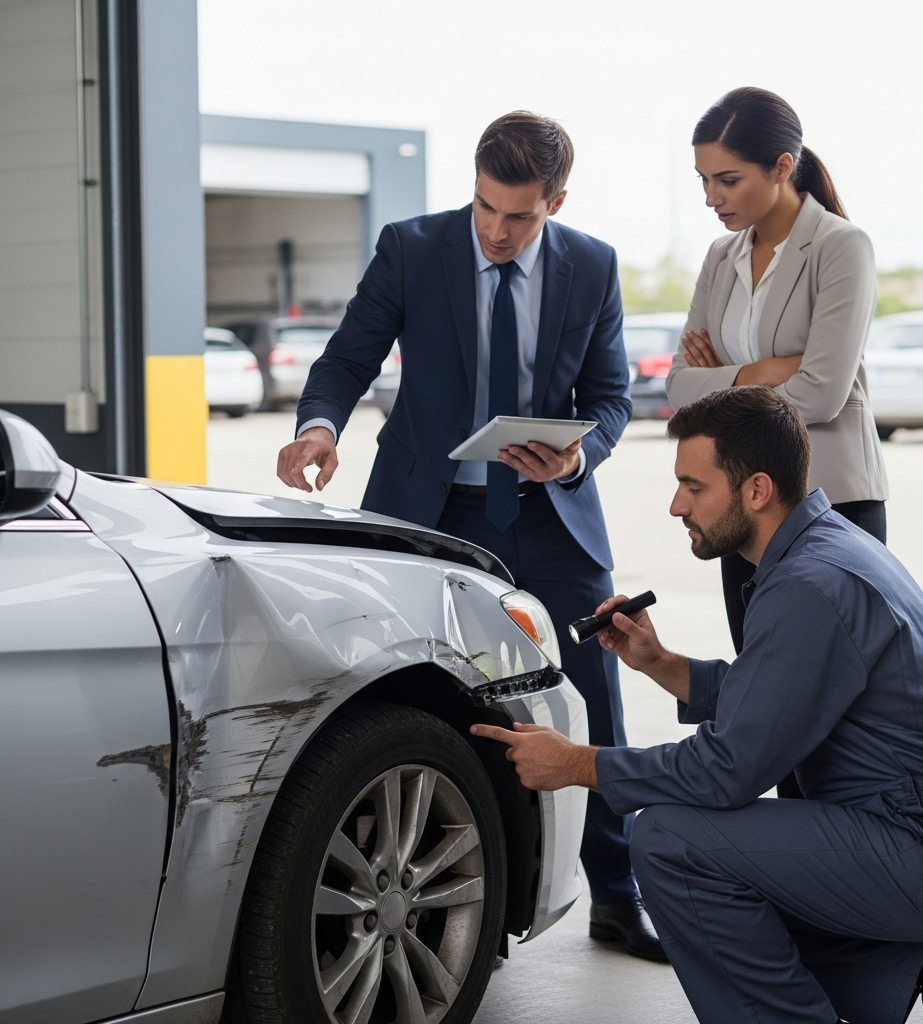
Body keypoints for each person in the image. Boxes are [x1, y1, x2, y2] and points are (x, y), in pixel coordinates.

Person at [472, 386, 923, 1024]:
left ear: (757, 490)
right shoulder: (821, 552)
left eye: (694, 487)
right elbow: (780, 701)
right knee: (729, 881)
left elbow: (728, 769)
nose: (676, 505)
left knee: (672, 842)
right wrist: (660, 662)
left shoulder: (811, 585)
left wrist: (578, 764)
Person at [276, 111, 663, 960]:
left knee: (594, 693)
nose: (495, 230)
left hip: (547, 514)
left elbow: (610, 397)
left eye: (518, 216)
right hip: (427, 512)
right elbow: (348, 358)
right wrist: (320, 428)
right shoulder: (412, 247)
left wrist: (574, 459)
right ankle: (401, 881)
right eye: (485, 206)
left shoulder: (591, 266)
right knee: (396, 689)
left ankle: (618, 894)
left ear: (555, 201)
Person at [667, 87, 888, 657]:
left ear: (782, 167)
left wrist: (722, 377)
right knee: (759, 685)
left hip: (831, 500)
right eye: (704, 179)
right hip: (745, 508)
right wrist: (763, 370)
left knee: (832, 689)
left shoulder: (841, 247)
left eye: (729, 179)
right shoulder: (721, 256)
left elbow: (820, 397)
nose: (712, 197)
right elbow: (679, 389)